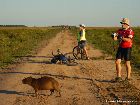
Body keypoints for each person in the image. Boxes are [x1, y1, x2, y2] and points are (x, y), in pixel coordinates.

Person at [112, 18, 134, 82]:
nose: (122, 25)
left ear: (127, 24)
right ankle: (119, 77)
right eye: (121, 23)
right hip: (121, 47)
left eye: (123, 23)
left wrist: (121, 37)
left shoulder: (130, 31)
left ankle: (128, 77)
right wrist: (113, 36)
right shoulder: (119, 30)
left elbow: (129, 40)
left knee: (127, 63)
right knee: (117, 62)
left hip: (128, 48)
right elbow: (115, 39)